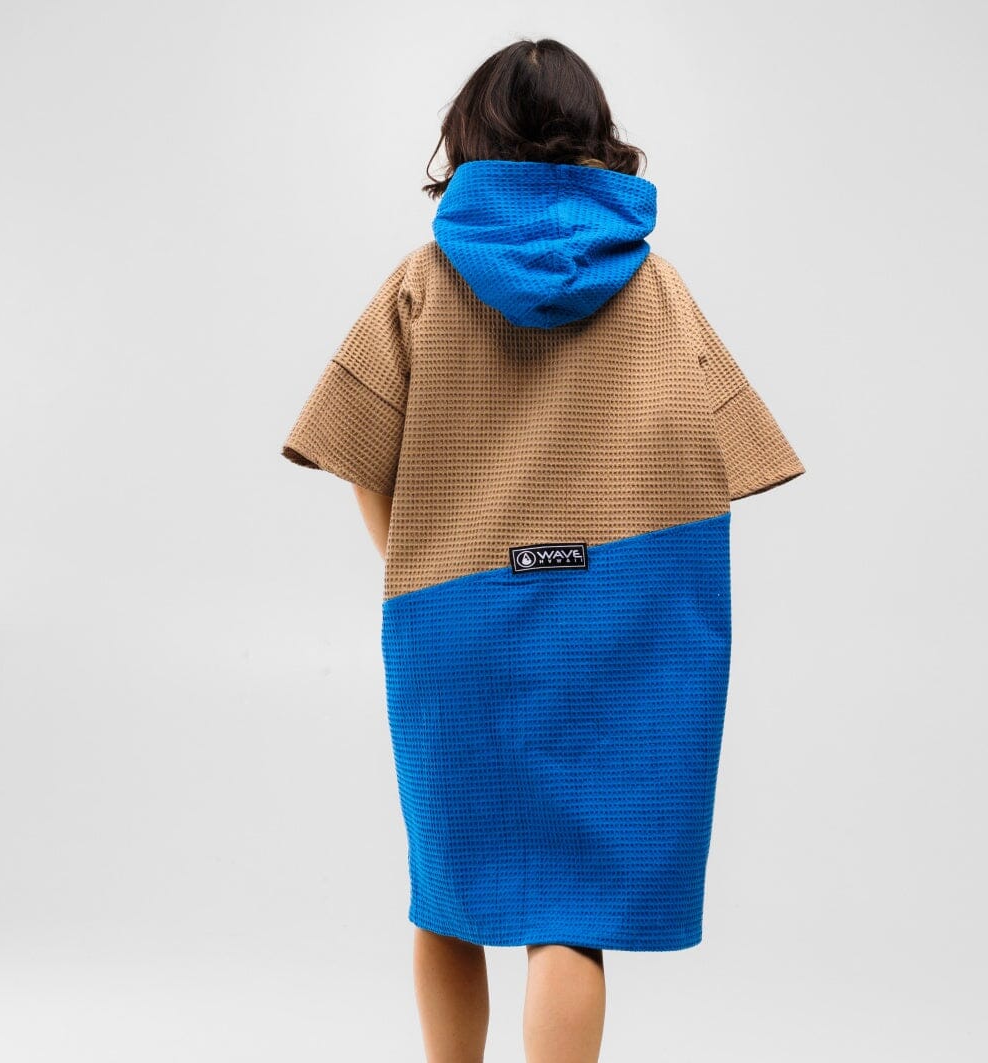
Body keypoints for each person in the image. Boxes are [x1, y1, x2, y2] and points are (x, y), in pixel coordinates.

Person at [281, 36, 805, 1063]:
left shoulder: (424, 280)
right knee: (574, 903)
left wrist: (419, 570)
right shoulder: (657, 290)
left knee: (448, 887)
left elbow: (355, 450)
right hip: (623, 635)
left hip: (452, 624)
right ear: (595, 135)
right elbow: (730, 456)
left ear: (467, 137)